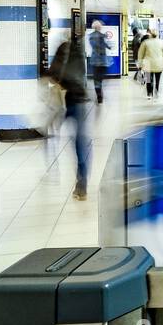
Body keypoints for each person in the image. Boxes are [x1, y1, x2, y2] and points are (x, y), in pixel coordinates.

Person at [47, 32, 91, 199]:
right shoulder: (80, 53)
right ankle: (82, 185)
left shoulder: (63, 49)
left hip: (65, 101)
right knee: (80, 143)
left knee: (51, 134)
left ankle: (52, 171)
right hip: (78, 100)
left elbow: (53, 73)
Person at [136, 28, 163, 99]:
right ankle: (157, 91)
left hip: (148, 64)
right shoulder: (161, 42)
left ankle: (149, 94)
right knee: (157, 79)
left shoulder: (145, 42)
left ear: (150, 35)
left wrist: (140, 63)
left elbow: (140, 54)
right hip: (159, 64)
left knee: (149, 80)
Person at [86, 21, 111, 104]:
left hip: (95, 61)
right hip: (102, 61)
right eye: (100, 26)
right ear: (98, 27)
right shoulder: (101, 36)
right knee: (99, 79)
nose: (101, 27)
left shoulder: (91, 36)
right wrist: (108, 46)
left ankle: (99, 96)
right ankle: (100, 94)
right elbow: (106, 45)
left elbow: (94, 46)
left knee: (96, 79)